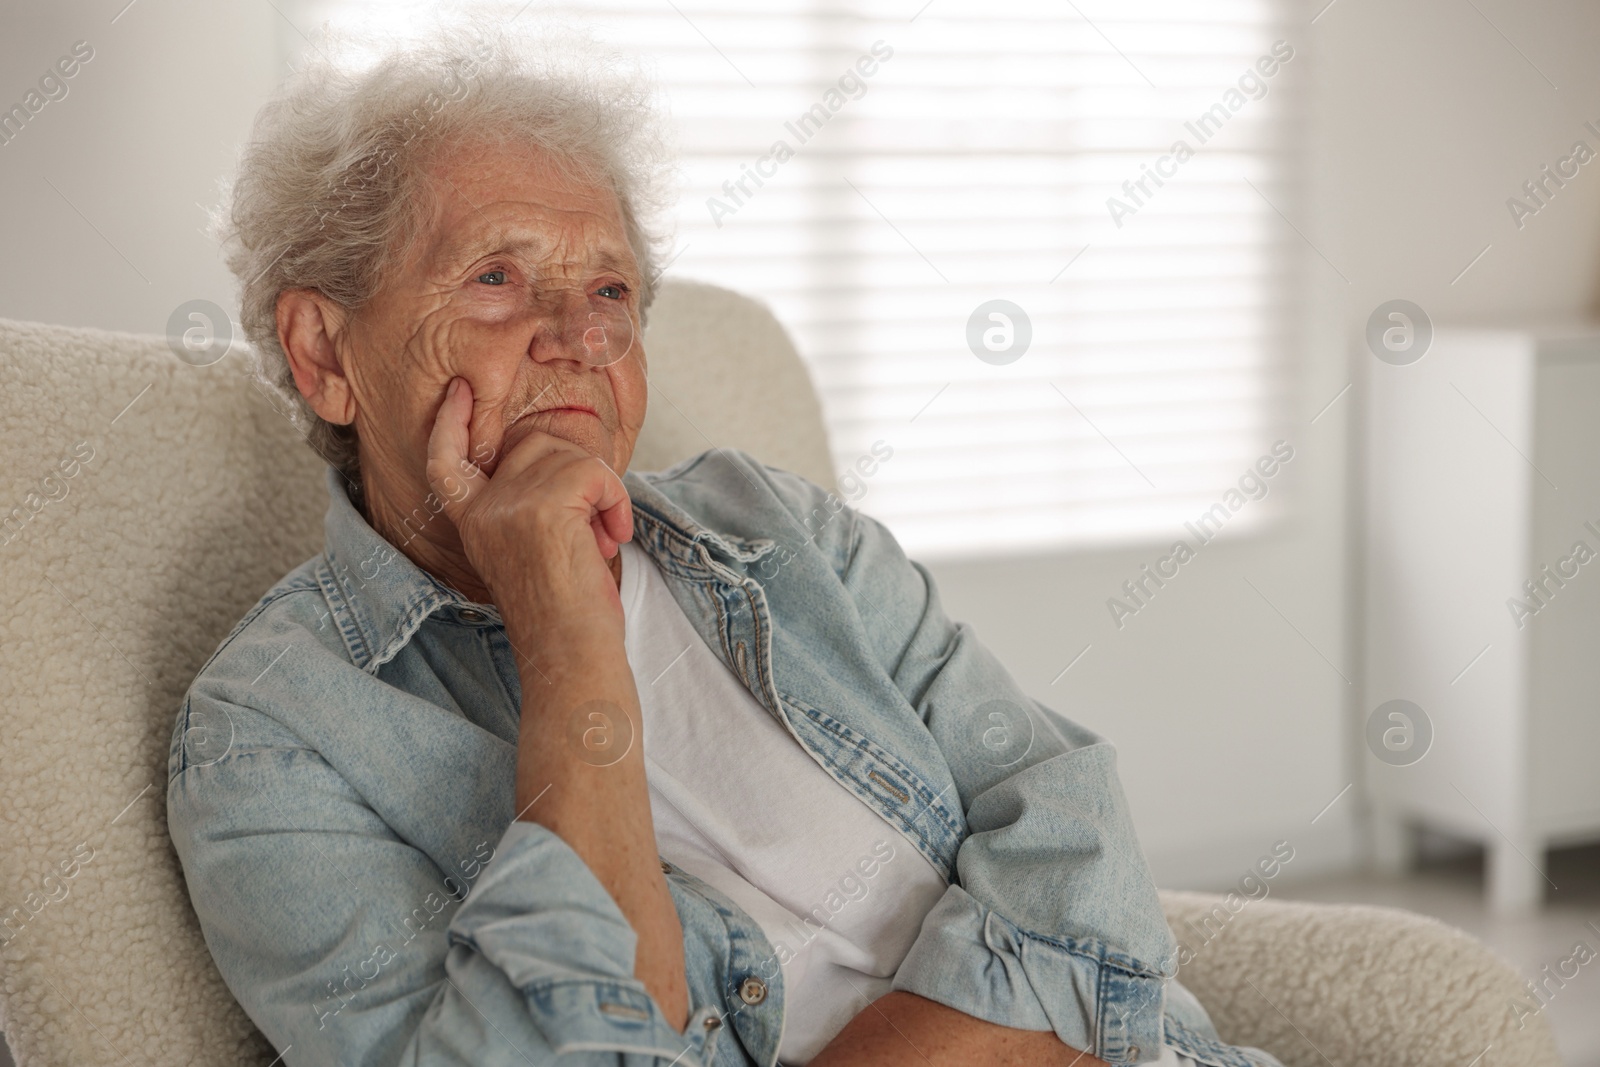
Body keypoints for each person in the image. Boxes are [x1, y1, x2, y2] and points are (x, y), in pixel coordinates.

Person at [166, 19, 1283, 1067]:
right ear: (324, 352)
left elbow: (1069, 832)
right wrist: (564, 634)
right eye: (497, 278)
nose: (579, 335)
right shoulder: (272, 738)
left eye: (610, 288)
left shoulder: (779, 530)